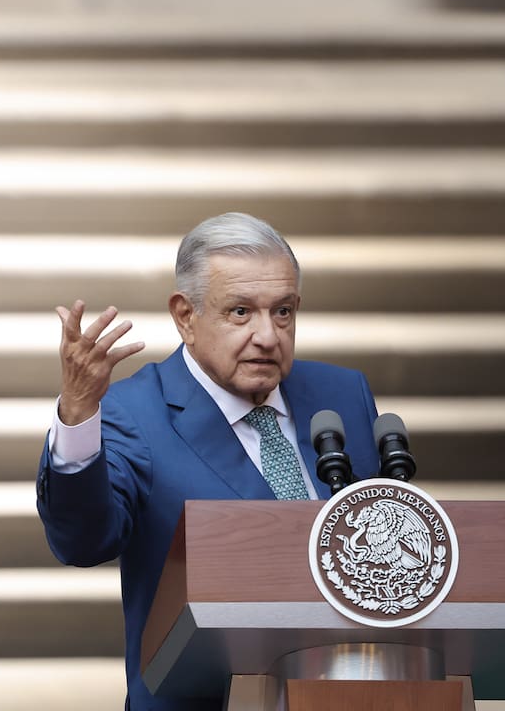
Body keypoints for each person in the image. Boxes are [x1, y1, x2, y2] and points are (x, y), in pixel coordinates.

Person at [35, 212, 381, 711]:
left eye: (283, 312)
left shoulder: (342, 394)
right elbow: (83, 541)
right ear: (185, 316)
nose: (268, 335)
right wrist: (78, 415)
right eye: (241, 312)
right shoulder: (135, 415)